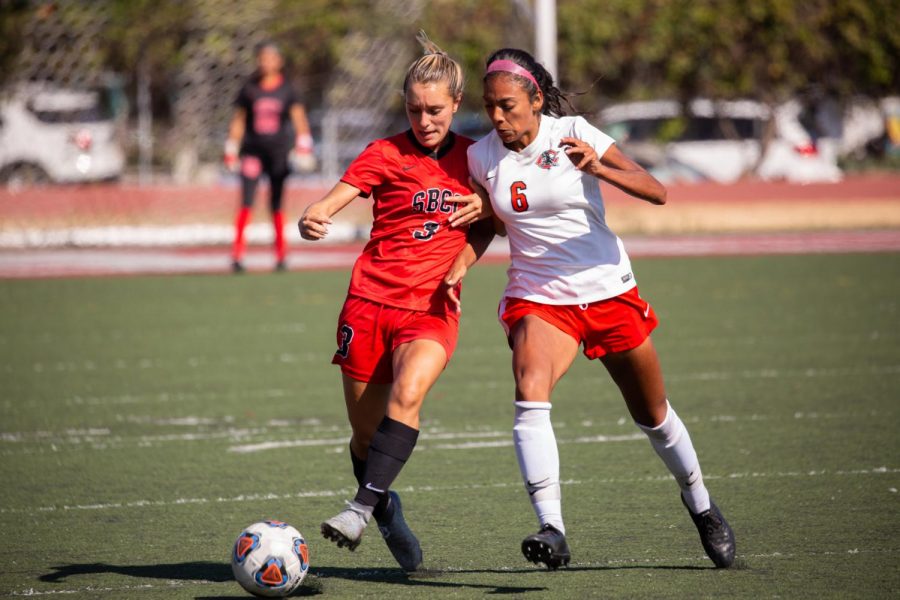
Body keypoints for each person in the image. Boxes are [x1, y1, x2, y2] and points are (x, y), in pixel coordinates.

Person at [445, 48, 736, 570]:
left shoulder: (573, 132)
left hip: (608, 291)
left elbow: (657, 191)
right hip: (540, 298)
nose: (497, 118)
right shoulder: (481, 156)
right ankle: (551, 528)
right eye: (490, 107)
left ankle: (702, 506)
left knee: (653, 415)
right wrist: (462, 261)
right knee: (529, 389)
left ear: (536, 100)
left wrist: (599, 167)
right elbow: (489, 222)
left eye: (508, 105)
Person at [298, 32, 485, 572]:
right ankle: (384, 505)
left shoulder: (478, 159)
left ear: (455, 104)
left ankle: (359, 509)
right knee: (364, 435)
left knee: (408, 393)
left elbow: (495, 222)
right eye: (414, 109)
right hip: (367, 304)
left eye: (435, 110)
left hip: (430, 311)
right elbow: (332, 200)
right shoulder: (384, 153)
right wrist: (315, 214)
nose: (425, 120)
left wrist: (463, 262)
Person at [224, 41, 316, 273]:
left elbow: (299, 119)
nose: (266, 62)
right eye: (262, 58)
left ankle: (281, 254)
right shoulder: (249, 88)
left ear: (279, 61)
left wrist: (304, 145)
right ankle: (237, 254)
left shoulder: (288, 89)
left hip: (278, 154)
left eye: (270, 58)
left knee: (276, 203)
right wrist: (231, 147)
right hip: (253, 152)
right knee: (246, 201)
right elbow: (239, 120)